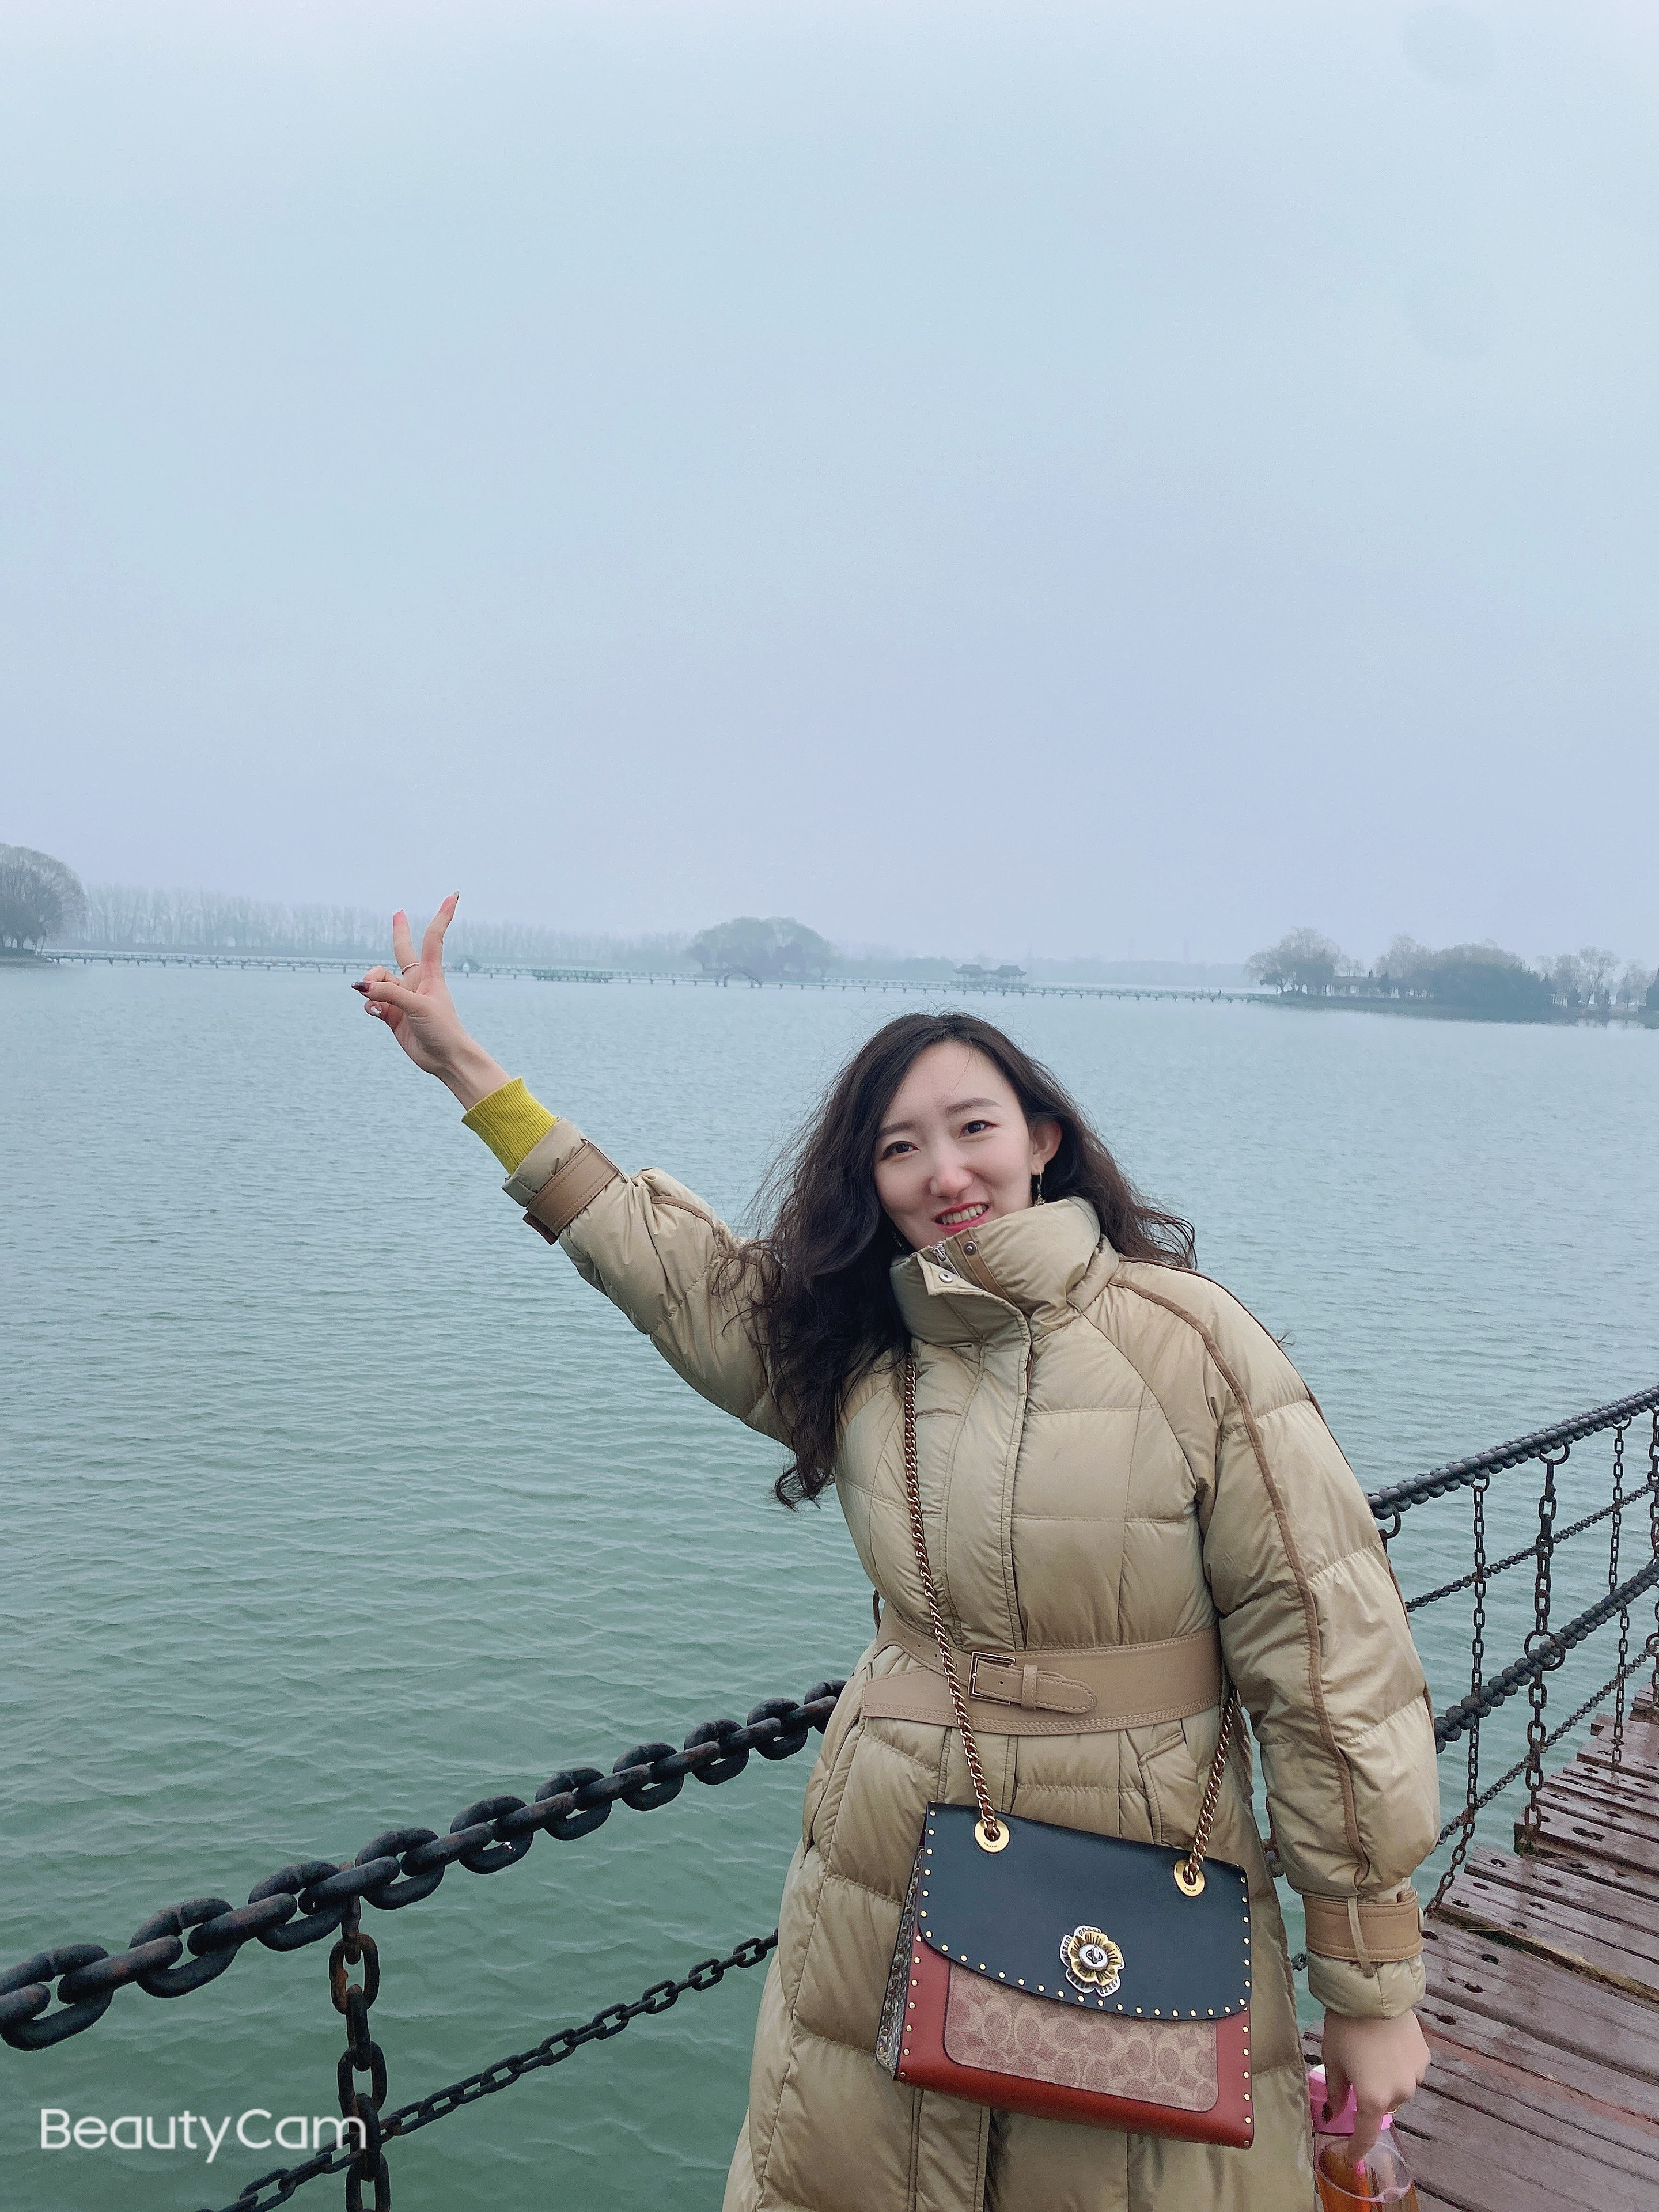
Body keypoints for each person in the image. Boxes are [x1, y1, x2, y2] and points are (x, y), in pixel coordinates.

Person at [357, 897, 1437, 2212]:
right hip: (886, 1858)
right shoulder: (866, 1352)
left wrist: (1370, 1986)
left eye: (975, 1128)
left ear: (1042, 1140)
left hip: (1147, 1861)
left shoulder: (1189, 1343)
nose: (945, 1171)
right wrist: (469, 1071)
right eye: (901, 1148)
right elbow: (668, 1271)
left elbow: (1327, 1660)